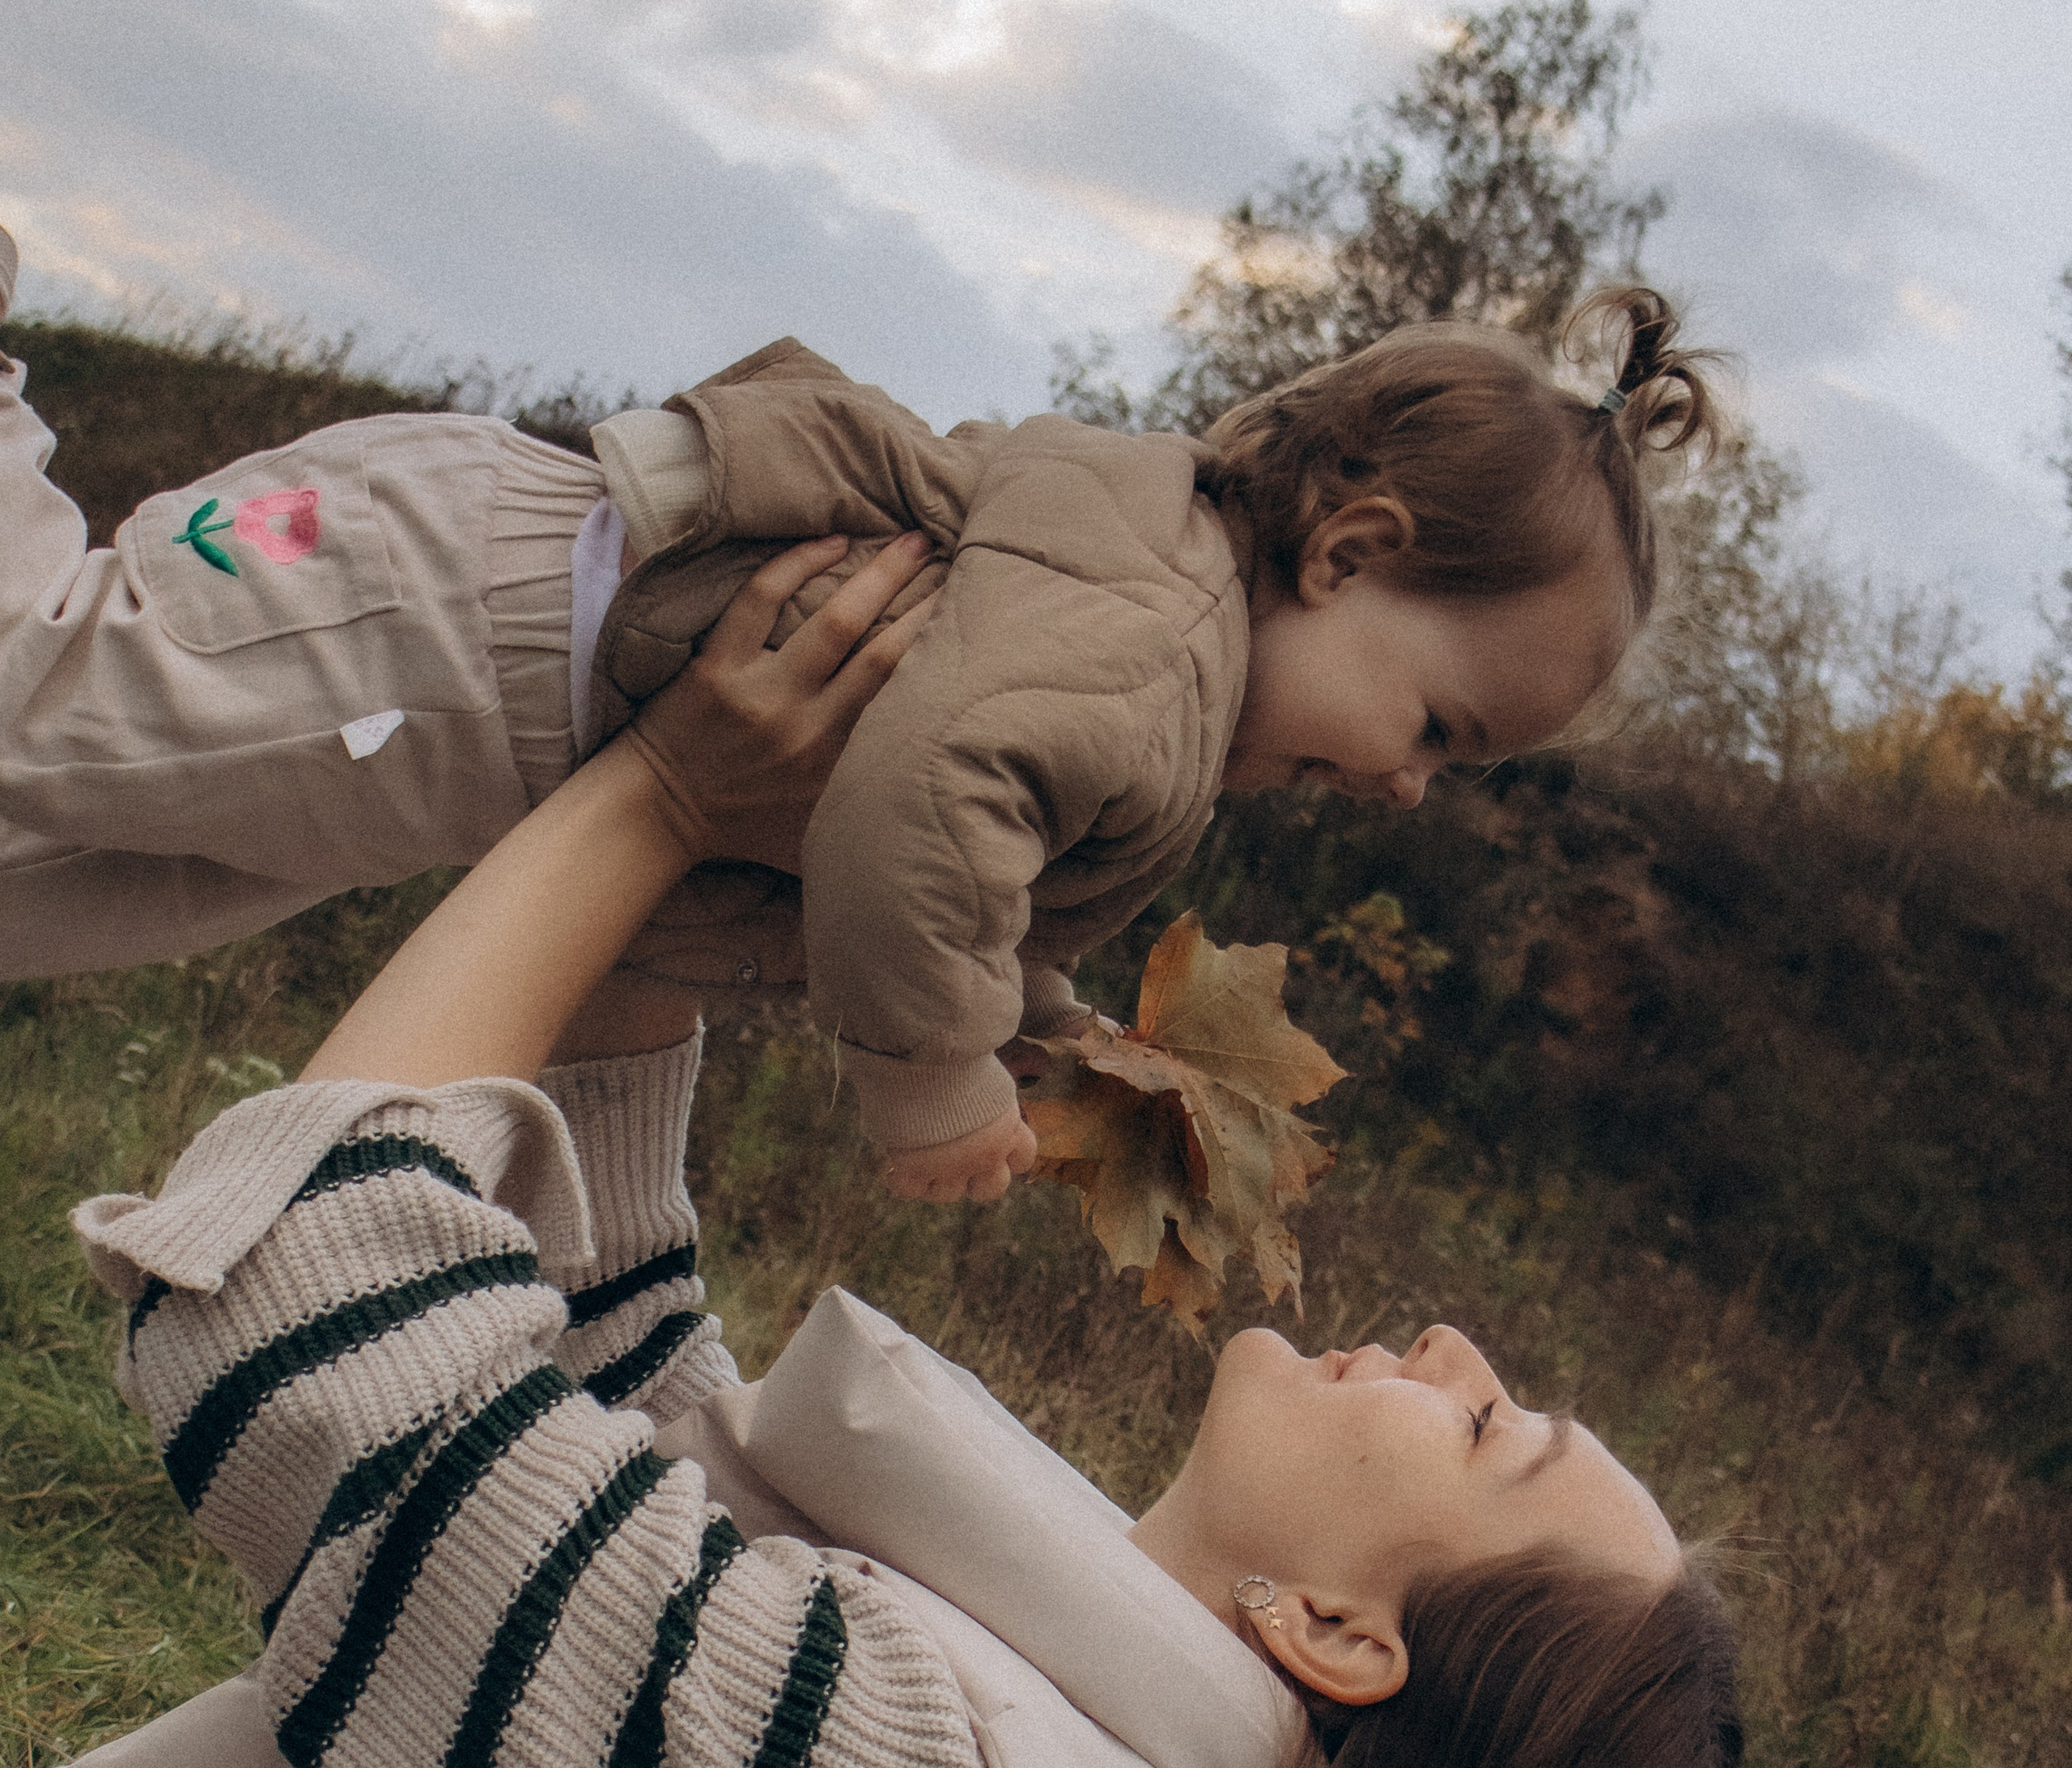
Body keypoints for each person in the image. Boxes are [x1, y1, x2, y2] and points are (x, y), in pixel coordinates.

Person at [0, 538, 1742, 1768]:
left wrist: (653, 795)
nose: (1456, 1352)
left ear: (1340, 1637)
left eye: (1498, 1438)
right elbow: (612, 1445)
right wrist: (701, 895)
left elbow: (305, 1319)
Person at [0, 215, 1723, 1202]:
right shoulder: (1147, 643)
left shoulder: (1140, 630)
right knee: (31, 687)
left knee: (73, 880)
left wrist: (1044, 1020)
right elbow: (914, 815)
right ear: (1351, 551)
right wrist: (936, 1087)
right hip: (451, 631)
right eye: (1437, 727)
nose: (1410, 789)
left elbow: (948, 845)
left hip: (453, 685)